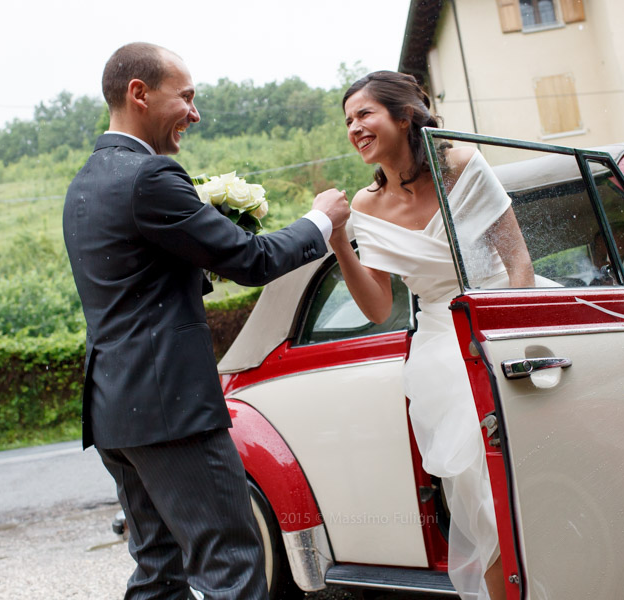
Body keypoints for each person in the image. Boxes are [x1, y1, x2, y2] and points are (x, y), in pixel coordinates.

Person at [62, 42, 349, 600]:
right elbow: (253, 261)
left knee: (158, 570)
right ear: (139, 94)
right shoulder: (149, 177)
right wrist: (320, 220)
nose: (194, 113)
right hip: (172, 411)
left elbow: (133, 280)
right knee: (232, 566)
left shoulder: (85, 183)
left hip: (116, 411)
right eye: (186, 97)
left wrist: (198, 244)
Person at [330, 71, 535, 600]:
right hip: (442, 342)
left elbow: (518, 263)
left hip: (500, 318)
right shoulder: (366, 207)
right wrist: (339, 242)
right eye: (348, 120)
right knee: (480, 493)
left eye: (364, 114)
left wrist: (511, 337)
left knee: (532, 481)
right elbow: (378, 308)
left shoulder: (463, 166)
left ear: (403, 116)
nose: (354, 127)